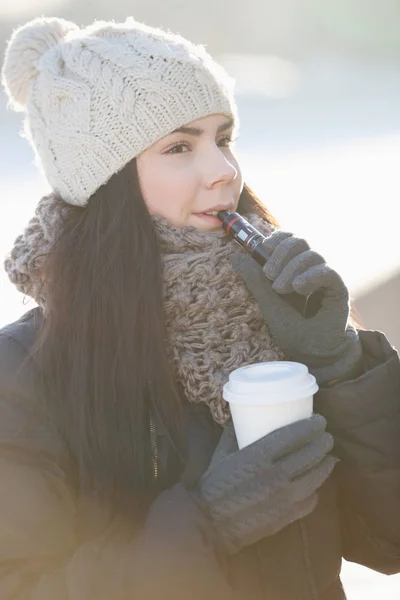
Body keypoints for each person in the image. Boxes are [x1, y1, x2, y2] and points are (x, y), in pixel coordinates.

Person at [0, 16, 399, 600]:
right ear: (104, 181)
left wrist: (340, 361)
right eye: (180, 147)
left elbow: (388, 542)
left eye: (224, 138)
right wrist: (207, 525)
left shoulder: (283, 318)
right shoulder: (22, 373)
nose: (224, 172)